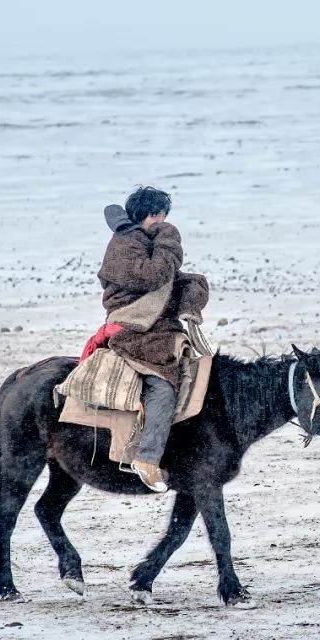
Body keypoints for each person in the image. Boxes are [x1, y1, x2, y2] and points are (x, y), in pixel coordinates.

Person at [97, 186, 209, 492]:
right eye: (161, 216)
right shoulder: (125, 242)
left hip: (153, 328)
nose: (163, 221)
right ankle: (147, 459)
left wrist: (191, 297)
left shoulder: (142, 240)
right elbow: (152, 277)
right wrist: (169, 236)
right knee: (163, 384)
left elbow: (168, 279)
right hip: (134, 331)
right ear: (151, 214)